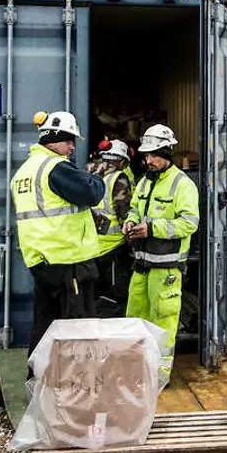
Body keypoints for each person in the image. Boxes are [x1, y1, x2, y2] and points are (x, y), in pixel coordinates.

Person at [9, 110, 104, 353]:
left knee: (45, 325)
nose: (72, 147)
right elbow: (92, 192)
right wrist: (99, 174)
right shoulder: (55, 167)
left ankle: (38, 380)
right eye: (69, 140)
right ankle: (73, 385)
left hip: (42, 261)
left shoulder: (24, 172)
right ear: (53, 140)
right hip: (68, 261)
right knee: (76, 330)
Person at [125, 124, 200, 377]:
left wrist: (152, 228)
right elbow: (134, 208)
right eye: (147, 155)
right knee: (134, 320)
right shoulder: (145, 181)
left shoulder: (182, 184)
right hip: (142, 265)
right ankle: (136, 370)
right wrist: (130, 221)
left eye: (154, 155)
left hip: (166, 269)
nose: (149, 160)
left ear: (167, 153)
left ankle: (159, 375)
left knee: (163, 322)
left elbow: (190, 223)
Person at [89, 138, 135, 318]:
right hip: (114, 249)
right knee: (118, 296)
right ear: (121, 161)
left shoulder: (88, 173)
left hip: (91, 247)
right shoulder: (118, 178)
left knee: (96, 295)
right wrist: (133, 246)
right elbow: (124, 214)